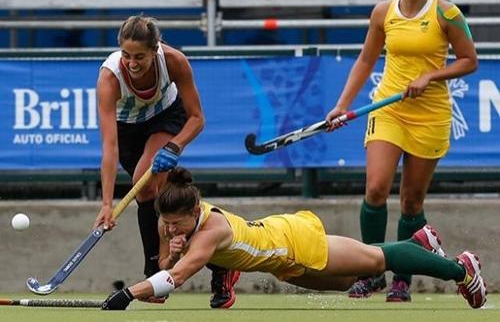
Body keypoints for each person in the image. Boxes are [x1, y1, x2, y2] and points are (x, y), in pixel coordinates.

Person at [101, 167, 486, 311]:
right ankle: (419, 244)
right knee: (350, 278)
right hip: (284, 262)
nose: (169, 231)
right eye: (165, 224)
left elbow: (176, 278)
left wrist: (127, 295)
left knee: (374, 262)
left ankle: (460, 269)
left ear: (194, 210)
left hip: (292, 242)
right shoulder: (176, 222)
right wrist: (170, 254)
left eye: (175, 225)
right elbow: (169, 267)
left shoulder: (211, 230)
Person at [324, 0, 478, 302]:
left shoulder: (447, 14)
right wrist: (342, 105)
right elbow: (367, 59)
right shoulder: (383, 12)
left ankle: (402, 280)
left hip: (430, 115)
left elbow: (469, 61)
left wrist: (431, 76)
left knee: (411, 201)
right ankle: (370, 272)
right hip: (389, 108)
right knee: (376, 189)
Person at [93, 15, 239, 308]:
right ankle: (221, 265)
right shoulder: (109, 79)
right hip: (129, 132)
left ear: (155, 49)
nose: (132, 64)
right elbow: (109, 147)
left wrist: (175, 146)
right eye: (126, 55)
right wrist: (107, 204)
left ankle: (154, 276)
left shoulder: (173, 61)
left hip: (167, 120)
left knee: (145, 188)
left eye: (140, 57)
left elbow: (197, 118)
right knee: (168, 202)